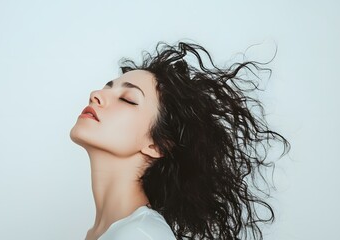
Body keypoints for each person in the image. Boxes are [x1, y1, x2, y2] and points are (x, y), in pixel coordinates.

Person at [69, 41, 290, 240]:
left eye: (127, 99)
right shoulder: (110, 232)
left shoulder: (141, 235)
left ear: (157, 145)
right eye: (107, 87)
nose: (96, 94)